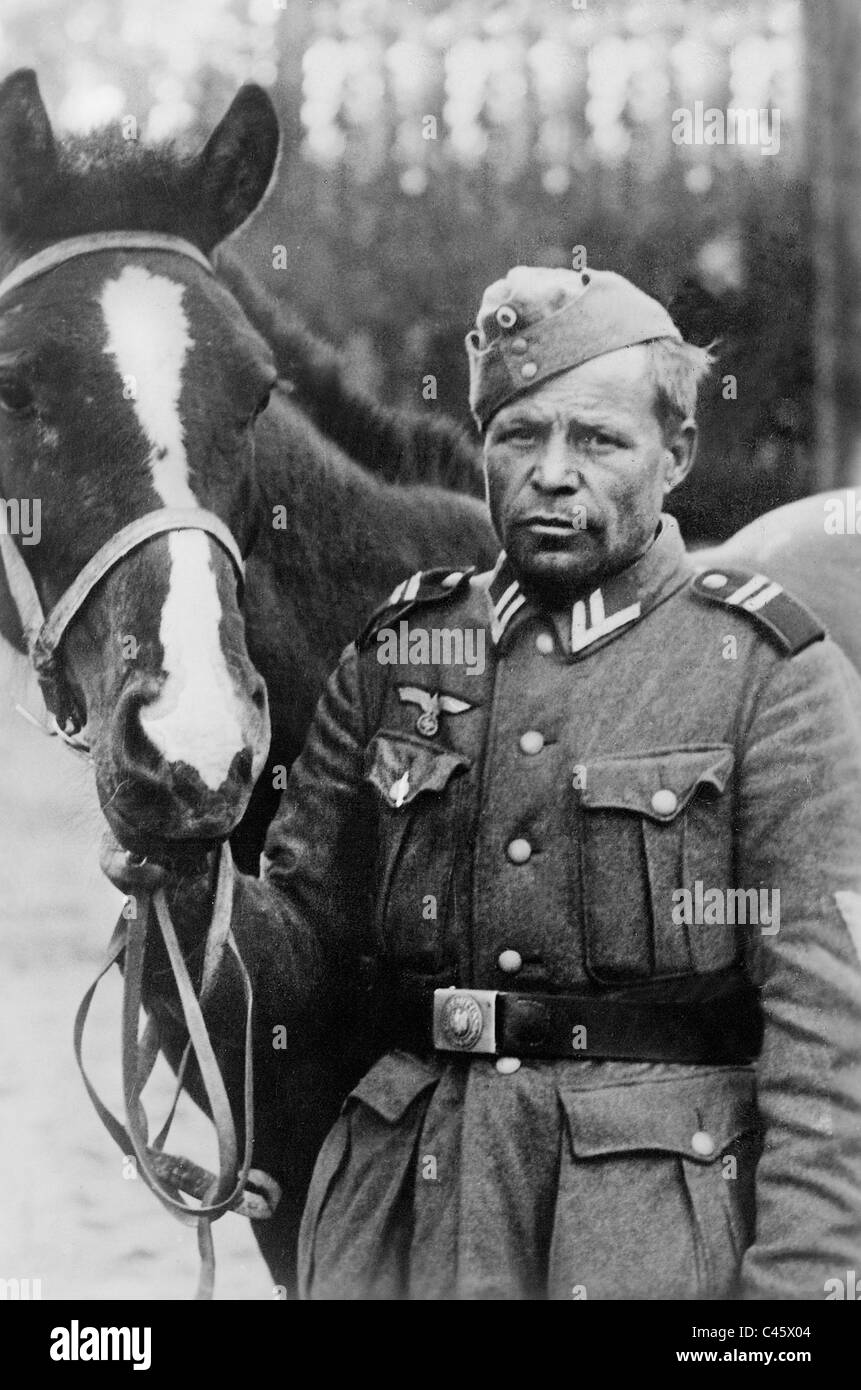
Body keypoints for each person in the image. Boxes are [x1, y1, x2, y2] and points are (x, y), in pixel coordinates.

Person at [103, 265, 861, 1300]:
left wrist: (799, 1305)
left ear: (677, 452)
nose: (553, 473)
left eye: (597, 440)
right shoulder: (399, 655)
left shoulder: (771, 673)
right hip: (407, 1225)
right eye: (518, 435)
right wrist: (185, 890)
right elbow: (302, 974)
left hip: (653, 1251)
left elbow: (830, 1042)